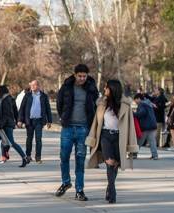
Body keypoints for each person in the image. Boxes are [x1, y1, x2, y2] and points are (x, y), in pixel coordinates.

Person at [86, 79, 137, 204]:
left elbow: (130, 126)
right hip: (105, 136)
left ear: (112, 89)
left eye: (106, 88)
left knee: (115, 164)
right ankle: (112, 191)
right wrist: (92, 138)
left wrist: (132, 144)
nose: (104, 90)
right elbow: (96, 123)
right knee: (109, 162)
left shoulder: (125, 105)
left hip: (119, 137)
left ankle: (109, 187)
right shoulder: (102, 104)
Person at [56, 64, 99, 201]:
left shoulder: (91, 88)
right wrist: (63, 117)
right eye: (79, 76)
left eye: (84, 76)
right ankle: (66, 182)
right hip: (68, 128)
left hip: (83, 128)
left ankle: (79, 190)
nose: (82, 78)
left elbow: (96, 106)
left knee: (80, 160)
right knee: (64, 157)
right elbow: (59, 103)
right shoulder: (66, 87)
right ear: (75, 75)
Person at [0, 85, 26, 168]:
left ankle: (24, 157)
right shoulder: (1, 99)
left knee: (12, 143)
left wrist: (0, 125)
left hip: (6, 125)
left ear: (1, 91)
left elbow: (7, 114)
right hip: (0, 125)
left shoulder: (7, 99)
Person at [18, 79, 52, 167]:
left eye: (34, 85)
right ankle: (28, 156)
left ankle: (38, 157)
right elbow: (22, 108)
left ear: (38, 86)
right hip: (29, 121)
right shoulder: (27, 95)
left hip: (39, 121)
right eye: (31, 85)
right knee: (29, 139)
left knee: (38, 139)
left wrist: (49, 121)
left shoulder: (43, 96)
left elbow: (48, 109)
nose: (32, 87)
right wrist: (20, 120)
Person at [133, 93, 158, 160]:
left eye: (135, 100)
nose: (135, 102)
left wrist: (133, 114)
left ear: (138, 98)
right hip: (152, 125)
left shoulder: (142, 104)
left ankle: (134, 154)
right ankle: (155, 155)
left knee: (140, 141)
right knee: (152, 141)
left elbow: (141, 113)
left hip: (146, 126)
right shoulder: (148, 103)